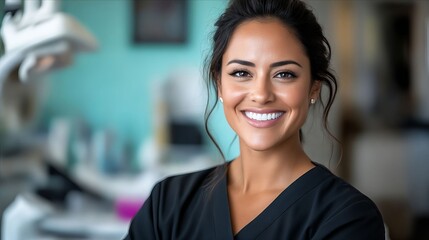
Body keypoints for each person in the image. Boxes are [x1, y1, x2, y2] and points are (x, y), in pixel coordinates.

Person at [124, 0, 385, 239]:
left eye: (284, 74)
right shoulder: (167, 203)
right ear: (220, 85)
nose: (261, 95)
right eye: (241, 73)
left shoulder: (348, 217)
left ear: (314, 87)